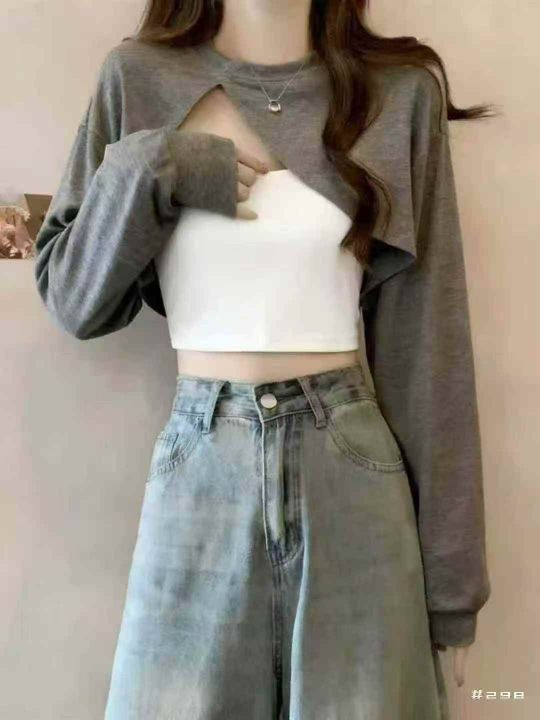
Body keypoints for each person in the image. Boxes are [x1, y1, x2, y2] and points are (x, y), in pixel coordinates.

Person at [34, 1, 495, 718]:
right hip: (199, 470)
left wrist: (453, 589)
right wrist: (151, 166)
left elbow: (428, 347)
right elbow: (74, 299)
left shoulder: (397, 92)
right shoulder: (137, 78)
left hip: (352, 474)